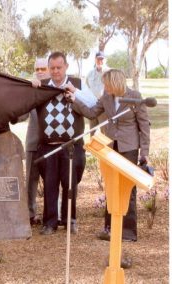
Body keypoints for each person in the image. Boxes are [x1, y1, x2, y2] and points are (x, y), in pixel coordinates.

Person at [69, 69, 150, 242]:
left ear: (115, 82)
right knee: (112, 186)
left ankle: (127, 233)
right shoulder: (106, 98)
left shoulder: (135, 96)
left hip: (129, 147)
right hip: (111, 148)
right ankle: (109, 229)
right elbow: (91, 113)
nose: (104, 86)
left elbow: (144, 126)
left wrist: (145, 152)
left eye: (106, 83)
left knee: (128, 188)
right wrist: (75, 101)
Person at [32, 51, 97, 235]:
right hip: (48, 147)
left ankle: (70, 220)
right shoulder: (42, 86)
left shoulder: (77, 83)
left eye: (59, 67)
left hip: (72, 147)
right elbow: (26, 102)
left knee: (70, 185)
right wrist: (32, 86)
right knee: (50, 184)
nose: (55, 71)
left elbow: (93, 104)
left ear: (66, 66)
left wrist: (74, 92)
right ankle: (50, 223)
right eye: (52, 68)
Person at [26, 58, 50, 226]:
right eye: (37, 68)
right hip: (33, 142)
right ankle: (29, 214)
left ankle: (51, 216)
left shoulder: (54, 88)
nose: (40, 71)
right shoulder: (29, 88)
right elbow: (20, 114)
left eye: (43, 68)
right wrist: (29, 93)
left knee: (52, 181)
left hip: (52, 143)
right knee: (30, 180)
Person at [86, 51, 107, 135]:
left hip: (105, 107)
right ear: (95, 60)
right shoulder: (90, 74)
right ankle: (91, 148)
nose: (100, 61)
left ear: (105, 60)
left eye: (102, 59)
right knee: (92, 132)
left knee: (105, 133)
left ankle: (106, 148)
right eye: (98, 59)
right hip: (93, 106)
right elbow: (87, 88)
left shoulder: (110, 73)